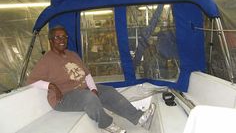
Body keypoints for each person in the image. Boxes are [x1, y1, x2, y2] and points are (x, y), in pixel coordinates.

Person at [27, 25, 156, 133]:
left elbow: (87, 74)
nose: (62, 40)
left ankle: (139, 118)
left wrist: (93, 89)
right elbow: (31, 81)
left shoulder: (72, 54)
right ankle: (107, 125)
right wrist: (52, 86)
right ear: (51, 40)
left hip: (83, 89)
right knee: (88, 97)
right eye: (58, 37)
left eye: (64, 37)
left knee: (109, 91)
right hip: (63, 98)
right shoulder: (46, 60)